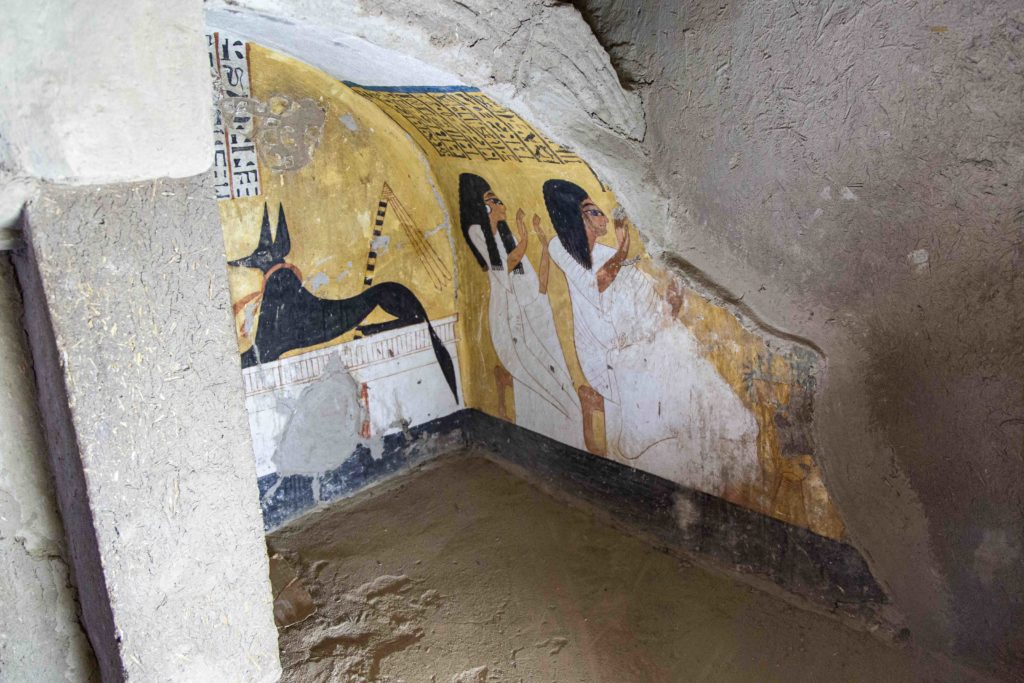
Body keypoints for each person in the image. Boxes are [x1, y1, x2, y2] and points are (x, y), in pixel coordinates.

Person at [539, 179, 759, 495]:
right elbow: (596, 283)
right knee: (667, 361)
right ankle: (675, 450)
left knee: (681, 352)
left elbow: (651, 313)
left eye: (599, 211)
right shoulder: (559, 248)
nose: (601, 218)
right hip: (606, 359)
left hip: (643, 346)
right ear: (574, 217)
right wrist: (624, 244)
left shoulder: (611, 258)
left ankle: (724, 440)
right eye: (592, 212)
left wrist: (672, 303)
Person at [458, 173, 584, 448]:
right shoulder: (476, 232)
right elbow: (508, 263)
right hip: (507, 315)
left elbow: (529, 277)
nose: (502, 203)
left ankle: (567, 436)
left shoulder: (508, 234)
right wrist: (525, 234)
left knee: (557, 378)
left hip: (532, 311)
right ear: (484, 207)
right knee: (534, 379)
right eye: (494, 200)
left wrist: (529, 237)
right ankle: (546, 438)